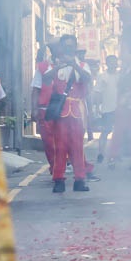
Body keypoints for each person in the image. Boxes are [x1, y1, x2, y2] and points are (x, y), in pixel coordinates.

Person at [49, 36, 92, 193]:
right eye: (65, 46)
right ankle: (58, 179)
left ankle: (79, 179)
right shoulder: (56, 64)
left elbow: (88, 78)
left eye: (71, 46)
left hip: (77, 111)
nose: (68, 49)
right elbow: (46, 78)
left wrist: (75, 65)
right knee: (60, 147)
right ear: (61, 47)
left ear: (75, 47)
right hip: (61, 111)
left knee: (77, 147)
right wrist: (58, 67)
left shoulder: (82, 65)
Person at [31, 45, 57, 173]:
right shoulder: (42, 67)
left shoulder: (70, 64)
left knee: (63, 138)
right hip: (45, 109)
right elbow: (36, 89)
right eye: (55, 48)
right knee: (48, 141)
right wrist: (34, 109)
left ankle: (64, 164)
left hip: (64, 109)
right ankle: (54, 166)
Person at [95, 55, 119, 163]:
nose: (113, 64)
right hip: (107, 108)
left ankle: (115, 155)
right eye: (111, 62)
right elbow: (98, 93)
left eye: (115, 62)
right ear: (107, 63)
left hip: (119, 108)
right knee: (105, 131)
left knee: (118, 133)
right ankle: (101, 153)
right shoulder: (102, 76)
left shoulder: (121, 76)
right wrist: (97, 107)